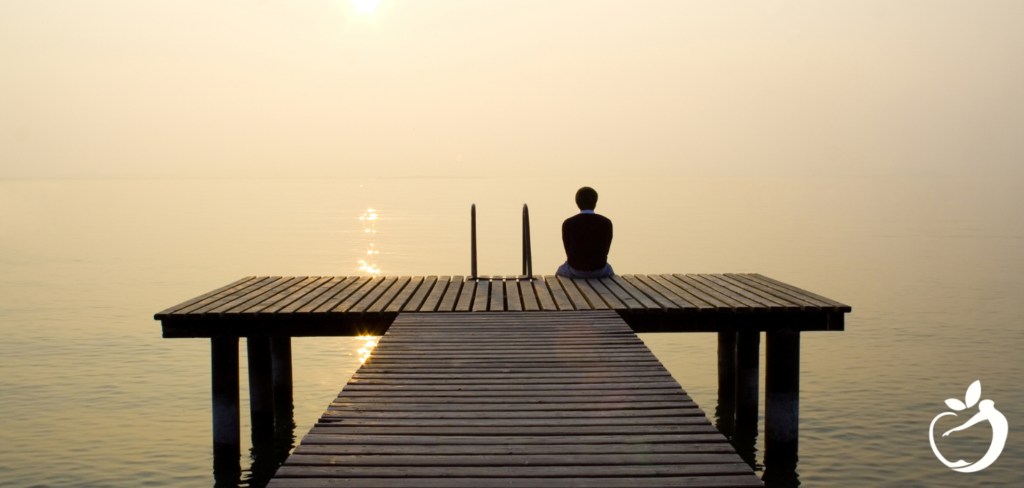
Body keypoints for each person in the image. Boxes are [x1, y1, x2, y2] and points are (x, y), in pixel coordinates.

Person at [556, 187, 614, 278]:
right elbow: (605, 249)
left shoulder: (568, 223)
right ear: (595, 202)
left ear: (577, 203)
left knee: (559, 272)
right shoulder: (606, 222)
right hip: (600, 269)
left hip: (575, 270)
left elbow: (568, 251)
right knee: (610, 269)